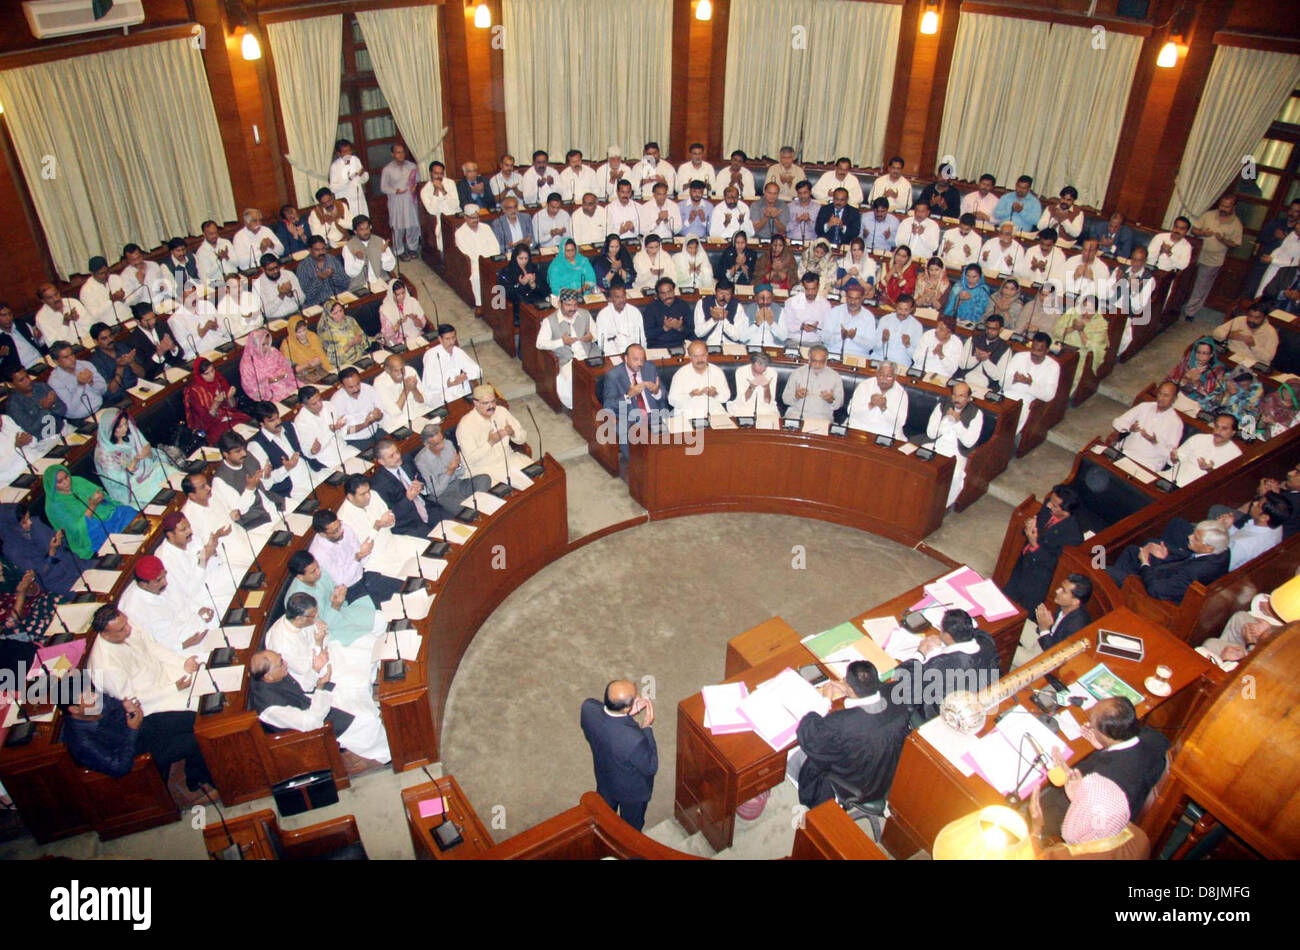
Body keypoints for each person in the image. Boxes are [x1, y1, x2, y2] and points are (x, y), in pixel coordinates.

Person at [257, 600, 391, 764]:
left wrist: (316, 671)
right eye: (280, 664)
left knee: (354, 688)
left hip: (314, 696)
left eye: (281, 660)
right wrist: (320, 687)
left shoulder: (275, 674)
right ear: (268, 677)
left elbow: (304, 682)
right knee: (365, 720)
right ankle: (388, 753)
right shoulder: (271, 708)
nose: (285, 663)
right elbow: (310, 722)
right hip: (316, 720)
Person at [62, 680, 214, 797]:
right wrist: (132, 730)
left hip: (143, 727)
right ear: (74, 710)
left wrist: (130, 707)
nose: (96, 697)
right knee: (196, 741)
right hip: (140, 752)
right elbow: (119, 768)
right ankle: (200, 780)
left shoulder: (94, 701)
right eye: (89, 698)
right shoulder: (82, 742)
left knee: (194, 718)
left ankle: (196, 770)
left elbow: (115, 704)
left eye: (93, 692)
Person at [795, 660, 910, 809]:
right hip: (890, 773)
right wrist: (852, 691)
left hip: (861, 784)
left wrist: (824, 701)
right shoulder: (897, 695)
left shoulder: (841, 724)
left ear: (849, 686)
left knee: (797, 758)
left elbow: (808, 735)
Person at [86, 606, 200, 716]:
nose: (129, 629)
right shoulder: (106, 665)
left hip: (166, 672)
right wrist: (172, 688)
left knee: (207, 682)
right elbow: (131, 699)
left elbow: (152, 647)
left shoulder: (125, 625)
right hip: (152, 701)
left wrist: (182, 663)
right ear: (105, 635)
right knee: (200, 705)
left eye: (126, 622)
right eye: (122, 629)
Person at [893, 609, 999, 722]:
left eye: (941, 630)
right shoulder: (987, 642)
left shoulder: (940, 665)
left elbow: (900, 677)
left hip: (942, 713)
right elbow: (978, 632)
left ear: (948, 636)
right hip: (979, 696)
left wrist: (920, 653)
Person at [579, 679, 657, 831]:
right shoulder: (635, 739)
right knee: (631, 828)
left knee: (604, 816)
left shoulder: (588, 708)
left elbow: (603, 721)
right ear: (626, 707)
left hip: (604, 779)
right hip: (631, 793)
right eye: (635, 696)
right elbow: (650, 766)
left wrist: (627, 714)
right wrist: (648, 727)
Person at [1030, 774, 1151, 860]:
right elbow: (1108, 814)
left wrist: (1036, 829)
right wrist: (1083, 799)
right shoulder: (1140, 838)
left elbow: (1029, 856)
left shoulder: (1064, 856)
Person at [1003, 485, 1084, 612]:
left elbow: (1054, 563)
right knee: (1005, 600)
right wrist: (1028, 527)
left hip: (1038, 580)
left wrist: (1034, 544)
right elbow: (1036, 527)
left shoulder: (1073, 536)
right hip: (1023, 565)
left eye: (1054, 506)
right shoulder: (1049, 505)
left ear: (1066, 512)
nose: (1048, 506)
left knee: (1023, 613)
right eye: (1050, 501)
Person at [1105, 520, 1230, 601]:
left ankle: (1125, 595)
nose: (1189, 537)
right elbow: (1188, 561)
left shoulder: (1196, 571)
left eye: (1196, 538)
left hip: (1156, 594)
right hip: (1169, 577)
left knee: (1107, 572)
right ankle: (1119, 595)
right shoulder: (1223, 551)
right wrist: (1165, 557)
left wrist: (1145, 564)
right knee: (1132, 551)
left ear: (1209, 547)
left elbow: (1156, 589)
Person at [285, 550, 382, 648]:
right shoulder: (297, 599)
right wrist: (335, 606)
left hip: (343, 612)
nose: (319, 572)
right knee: (372, 643)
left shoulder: (319, 572)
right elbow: (319, 627)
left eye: (317, 566)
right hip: (332, 632)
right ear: (300, 577)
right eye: (313, 571)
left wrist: (338, 594)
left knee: (382, 619)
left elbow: (333, 590)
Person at [118, 555, 211, 656]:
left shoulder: (157, 583)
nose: (165, 582)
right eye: (158, 580)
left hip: (188, 625)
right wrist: (183, 645)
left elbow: (180, 597)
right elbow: (148, 644)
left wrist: (198, 609)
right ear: (143, 585)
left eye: (164, 576)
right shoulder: (132, 609)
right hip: (174, 648)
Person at [308, 509, 403, 607]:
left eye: (339, 525)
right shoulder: (319, 554)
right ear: (322, 534)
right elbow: (342, 582)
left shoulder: (345, 529)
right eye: (335, 531)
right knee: (394, 608)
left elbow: (362, 557)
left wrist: (362, 555)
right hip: (350, 590)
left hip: (364, 574)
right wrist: (358, 558)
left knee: (405, 590)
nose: (341, 531)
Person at [338, 474, 430, 574]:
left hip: (392, 541)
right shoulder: (343, 519)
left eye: (368, 491)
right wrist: (378, 525)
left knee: (428, 550)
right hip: (376, 558)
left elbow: (390, 520)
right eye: (363, 494)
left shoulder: (373, 495)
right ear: (350, 497)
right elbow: (363, 548)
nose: (368, 496)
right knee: (413, 574)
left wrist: (389, 522)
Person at [41, 465, 137, 560]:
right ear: (52, 485)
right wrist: (92, 507)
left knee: (129, 513)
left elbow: (101, 494)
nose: (66, 482)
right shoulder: (54, 505)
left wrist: (101, 497)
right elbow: (75, 530)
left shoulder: (77, 481)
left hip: (106, 513)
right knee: (113, 543)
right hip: (88, 531)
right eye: (60, 482)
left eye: (66, 477)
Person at [0, 502, 94, 596]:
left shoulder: (35, 523)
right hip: (58, 580)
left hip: (72, 563)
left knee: (104, 573)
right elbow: (40, 573)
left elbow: (62, 545)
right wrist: (51, 553)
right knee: (91, 595)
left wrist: (60, 538)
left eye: (28, 517)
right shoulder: (12, 550)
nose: (30, 522)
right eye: (24, 522)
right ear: (12, 527)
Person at [921, 381, 983, 508]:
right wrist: (946, 420)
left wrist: (957, 422)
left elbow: (969, 442)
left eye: (961, 396)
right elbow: (931, 433)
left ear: (969, 398)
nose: (956, 399)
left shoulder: (976, 413)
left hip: (958, 452)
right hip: (936, 445)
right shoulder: (942, 406)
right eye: (954, 395)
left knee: (955, 475)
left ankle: (941, 506)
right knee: (918, 462)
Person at [413, 422, 492, 521]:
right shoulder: (421, 461)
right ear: (426, 444)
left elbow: (461, 471)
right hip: (443, 496)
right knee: (464, 508)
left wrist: (457, 466)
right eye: (437, 444)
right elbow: (436, 491)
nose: (442, 445)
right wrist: (450, 471)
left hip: (458, 484)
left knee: (484, 479)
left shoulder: (448, 444)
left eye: (442, 439)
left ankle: (480, 507)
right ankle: (478, 509)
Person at [1012, 573, 1093, 668]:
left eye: (1063, 591)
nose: (1057, 591)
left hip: (1046, 659)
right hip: (1045, 640)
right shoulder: (1064, 606)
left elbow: (1054, 656)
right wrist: (1043, 623)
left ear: (1075, 601)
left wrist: (1044, 628)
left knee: (1004, 650)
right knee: (1015, 620)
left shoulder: (1076, 627)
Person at [94, 409, 170, 508]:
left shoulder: (127, 435)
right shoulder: (104, 454)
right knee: (162, 494)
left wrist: (147, 453)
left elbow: (147, 453)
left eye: (126, 424)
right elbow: (116, 483)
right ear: (109, 429)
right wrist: (133, 464)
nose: (125, 428)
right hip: (130, 487)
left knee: (171, 474)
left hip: (145, 471)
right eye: (120, 426)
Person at [457, 384, 532, 485]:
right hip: (485, 470)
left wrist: (513, 433)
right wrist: (490, 443)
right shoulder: (465, 426)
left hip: (508, 459)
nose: (491, 406)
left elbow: (523, 437)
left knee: (536, 477)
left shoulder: (501, 411)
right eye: (486, 403)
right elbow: (470, 460)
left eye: (493, 401)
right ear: (475, 403)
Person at [537, 289, 599, 410]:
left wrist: (591, 337)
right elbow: (540, 344)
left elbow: (596, 333)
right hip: (568, 360)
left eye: (575, 305)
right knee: (570, 380)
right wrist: (562, 342)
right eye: (568, 305)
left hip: (590, 356)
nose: (573, 308)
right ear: (560, 304)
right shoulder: (549, 321)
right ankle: (578, 408)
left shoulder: (584, 314)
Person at [1183, 194, 1242, 321]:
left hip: (1214, 259)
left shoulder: (1236, 223)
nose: (1223, 208)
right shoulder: (1209, 215)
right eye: (1222, 205)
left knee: (1201, 286)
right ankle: (1176, 306)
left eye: (1227, 207)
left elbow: (1235, 244)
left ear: (1233, 207)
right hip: (1196, 253)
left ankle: (1190, 312)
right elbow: (1194, 230)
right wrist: (1203, 233)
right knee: (1184, 279)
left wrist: (1223, 240)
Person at [212, 430, 285, 533]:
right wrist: (250, 489)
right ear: (225, 454)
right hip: (255, 521)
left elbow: (262, 481)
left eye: (244, 449)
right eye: (238, 451)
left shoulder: (247, 457)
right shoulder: (220, 481)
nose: (244, 453)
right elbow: (239, 511)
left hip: (272, 503)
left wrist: (266, 475)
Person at [600, 342, 668, 447]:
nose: (640, 363)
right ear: (626, 358)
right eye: (636, 359)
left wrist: (656, 392)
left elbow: (664, 394)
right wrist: (628, 396)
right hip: (630, 422)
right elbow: (608, 406)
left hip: (655, 417)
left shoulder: (650, 368)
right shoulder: (613, 376)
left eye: (642, 359)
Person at [1108, 381, 1184, 473]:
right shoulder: (1144, 407)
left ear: (1174, 399)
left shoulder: (1176, 423)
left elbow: (1170, 456)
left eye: (1166, 395)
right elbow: (1117, 422)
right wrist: (1129, 427)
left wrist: (1155, 442)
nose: (1161, 398)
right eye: (1159, 393)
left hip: (1147, 465)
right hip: (1124, 453)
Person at [246, 401, 313, 503]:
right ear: (262, 424)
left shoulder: (289, 426)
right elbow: (265, 482)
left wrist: (312, 450)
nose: (278, 422)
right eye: (272, 420)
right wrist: (286, 468)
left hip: (311, 473)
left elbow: (304, 450)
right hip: (292, 489)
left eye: (277, 417)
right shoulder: (256, 446)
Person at [370, 438, 434, 539]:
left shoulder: (406, 460)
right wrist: (408, 499)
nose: (398, 457)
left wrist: (421, 486)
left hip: (427, 507)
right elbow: (391, 515)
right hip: (408, 523)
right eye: (391, 456)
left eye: (397, 451)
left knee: (457, 526)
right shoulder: (378, 485)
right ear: (381, 462)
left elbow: (421, 479)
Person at [1051, 294, 1109, 395]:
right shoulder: (1072, 314)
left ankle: (1061, 397)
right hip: (1061, 347)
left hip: (1080, 354)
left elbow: (1095, 346)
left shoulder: (1100, 324)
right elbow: (1056, 331)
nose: (1085, 312)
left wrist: (1081, 331)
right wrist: (1072, 328)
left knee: (1070, 374)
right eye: (1084, 307)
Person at [1004, 333, 1061, 434]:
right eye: (1033, 348)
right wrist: (1013, 380)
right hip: (1006, 395)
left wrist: (1030, 383)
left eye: (1039, 350)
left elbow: (1049, 396)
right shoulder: (1019, 356)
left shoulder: (1053, 366)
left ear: (1047, 351)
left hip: (1025, 403)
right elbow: (1002, 382)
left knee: (1007, 425)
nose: (1034, 353)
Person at [1167, 412, 1242, 487]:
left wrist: (1210, 470)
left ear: (1233, 432)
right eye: (1216, 426)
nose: (1218, 431)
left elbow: (1225, 484)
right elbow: (1174, 462)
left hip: (1194, 490)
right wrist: (1173, 458)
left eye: (1224, 428)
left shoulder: (1236, 455)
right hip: (1170, 480)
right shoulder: (1198, 438)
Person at [668, 340, 731, 419]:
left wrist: (715, 394)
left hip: (713, 412)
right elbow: (672, 400)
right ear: (690, 357)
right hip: (688, 414)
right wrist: (690, 395)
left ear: (707, 354)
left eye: (703, 355)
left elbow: (726, 397)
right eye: (695, 356)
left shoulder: (717, 371)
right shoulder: (680, 374)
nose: (700, 359)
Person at [421, 323, 480, 406]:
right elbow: (429, 383)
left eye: (453, 338)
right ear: (440, 339)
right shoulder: (431, 355)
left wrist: (465, 376)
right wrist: (447, 384)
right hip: (438, 394)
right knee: (451, 399)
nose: (452, 342)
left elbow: (478, 370)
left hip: (458, 392)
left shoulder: (458, 352)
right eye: (447, 339)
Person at [781, 344, 844, 422]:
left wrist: (831, 400)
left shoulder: (835, 376)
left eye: (821, 361)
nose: (817, 365)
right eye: (814, 361)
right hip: (796, 416)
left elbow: (839, 404)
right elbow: (786, 400)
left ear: (826, 359)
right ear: (809, 358)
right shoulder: (797, 373)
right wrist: (796, 396)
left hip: (822, 419)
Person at [454, 205, 500, 308]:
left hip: (491, 261)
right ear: (465, 217)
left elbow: (495, 246)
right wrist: (482, 263)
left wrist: (489, 261)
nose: (475, 220)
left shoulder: (486, 228)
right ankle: (480, 304)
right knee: (476, 277)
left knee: (501, 274)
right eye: (472, 218)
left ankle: (498, 304)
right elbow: (467, 253)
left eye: (477, 217)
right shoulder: (460, 233)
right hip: (475, 264)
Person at [845, 361, 907, 438]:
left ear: (895, 377)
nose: (884, 379)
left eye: (889, 376)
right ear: (876, 374)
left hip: (886, 434)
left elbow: (900, 423)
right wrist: (870, 405)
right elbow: (850, 411)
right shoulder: (864, 385)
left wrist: (884, 408)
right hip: (859, 428)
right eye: (881, 375)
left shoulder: (901, 393)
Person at [381, 143, 420, 261]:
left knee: (413, 224)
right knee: (398, 227)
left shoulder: (412, 166)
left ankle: (413, 247)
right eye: (398, 152)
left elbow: (417, 180)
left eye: (402, 152)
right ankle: (399, 250)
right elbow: (383, 188)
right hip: (396, 200)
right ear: (392, 154)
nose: (401, 154)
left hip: (410, 199)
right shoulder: (387, 169)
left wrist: (415, 188)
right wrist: (395, 191)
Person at [87, 322, 143, 405]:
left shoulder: (123, 347)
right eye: (104, 338)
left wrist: (132, 363)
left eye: (110, 336)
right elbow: (112, 390)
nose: (110, 340)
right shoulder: (95, 363)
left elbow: (142, 375)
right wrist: (120, 368)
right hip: (120, 399)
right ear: (96, 341)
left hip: (139, 388)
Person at [47, 341, 106, 420]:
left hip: (102, 407)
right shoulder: (55, 381)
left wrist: (91, 382)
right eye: (66, 357)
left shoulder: (85, 365)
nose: (72, 359)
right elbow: (70, 408)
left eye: (72, 354)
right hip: (81, 418)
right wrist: (80, 385)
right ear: (56, 362)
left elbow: (104, 390)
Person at [373, 353, 431, 432]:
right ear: (387, 370)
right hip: (398, 423)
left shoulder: (410, 370)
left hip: (418, 414)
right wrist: (406, 390)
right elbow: (395, 412)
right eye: (396, 371)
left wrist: (414, 389)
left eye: (402, 369)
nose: (401, 373)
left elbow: (423, 400)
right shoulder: (379, 383)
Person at [239, 328, 298, 403]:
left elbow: (286, 367)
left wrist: (283, 375)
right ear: (254, 345)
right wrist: (268, 382)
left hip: (286, 384)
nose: (267, 347)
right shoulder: (247, 363)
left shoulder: (273, 352)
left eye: (268, 344)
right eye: (263, 345)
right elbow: (250, 387)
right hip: (268, 395)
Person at [330, 367, 384, 448]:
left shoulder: (368, 389)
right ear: (342, 386)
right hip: (355, 440)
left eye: (358, 384)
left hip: (375, 431)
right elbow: (345, 431)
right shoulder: (336, 401)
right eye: (351, 387)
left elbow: (381, 413)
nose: (356, 389)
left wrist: (378, 415)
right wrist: (364, 424)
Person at [126, 307, 185, 381]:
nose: (152, 322)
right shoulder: (133, 340)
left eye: (153, 318)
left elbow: (181, 353)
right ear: (137, 321)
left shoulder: (161, 326)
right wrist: (159, 354)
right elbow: (145, 372)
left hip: (177, 368)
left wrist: (173, 347)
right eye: (147, 320)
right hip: (157, 377)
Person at [822, 280, 875, 361]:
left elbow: (870, 345)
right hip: (834, 354)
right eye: (850, 298)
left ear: (862, 298)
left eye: (856, 299)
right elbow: (824, 338)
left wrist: (854, 337)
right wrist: (840, 336)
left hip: (858, 357)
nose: (852, 302)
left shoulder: (868, 317)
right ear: (846, 297)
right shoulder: (835, 312)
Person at [1211, 304, 1278, 367]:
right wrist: (1229, 335)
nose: (1251, 320)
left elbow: (1268, 358)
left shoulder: (1271, 332)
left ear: (1264, 318)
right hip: (1230, 356)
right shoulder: (1240, 320)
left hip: (1250, 364)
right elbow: (1216, 333)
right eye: (1250, 316)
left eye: (1257, 318)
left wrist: (1253, 346)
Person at [342, 215, 397, 292]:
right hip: (360, 287)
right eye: (362, 229)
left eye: (367, 228)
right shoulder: (348, 247)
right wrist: (359, 260)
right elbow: (351, 273)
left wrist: (383, 254)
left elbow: (390, 267)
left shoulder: (380, 241)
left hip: (382, 281)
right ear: (355, 232)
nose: (366, 232)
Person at [497, 244, 550, 319]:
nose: (523, 261)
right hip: (518, 306)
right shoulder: (506, 272)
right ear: (515, 258)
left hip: (535, 303)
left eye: (526, 258)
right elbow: (509, 295)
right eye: (520, 258)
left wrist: (533, 285)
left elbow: (545, 290)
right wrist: (521, 284)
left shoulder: (534, 268)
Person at [280, 314, 334, 385]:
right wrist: (308, 365)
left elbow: (322, 356)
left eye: (304, 330)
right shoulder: (287, 345)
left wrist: (332, 371)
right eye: (299, 332)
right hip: (302, 374)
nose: (303, 334)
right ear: (292, 332)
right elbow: (290, 370)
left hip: (318, 368)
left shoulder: (312, 336)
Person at [317, 298, 370, 369]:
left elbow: (364, 337)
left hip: (360, 354)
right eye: (335, 313)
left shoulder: (349, 320)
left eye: (341, 310)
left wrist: (360, 340)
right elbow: (332, 358)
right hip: (342, 364)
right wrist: (349, 345)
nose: (340, 314)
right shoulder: (326, 332)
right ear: (328, 315)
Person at [595, 282, 646, 354]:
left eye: (623, 296)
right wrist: (616, 356)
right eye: (617, 297)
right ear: (610, 299)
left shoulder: (634, 312)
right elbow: (602, 343)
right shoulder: (603, 315)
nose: (621, 300)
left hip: (633, 354)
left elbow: (641, 338)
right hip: (612, 355)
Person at [874, 294, 923, 368]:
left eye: (906, 310)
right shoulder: (885, 320)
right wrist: (883, 340)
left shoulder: (917, 326)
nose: (902, 313)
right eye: (900, 309)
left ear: (911, 309)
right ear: (895, 306)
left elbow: (916, 357)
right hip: (879, 359)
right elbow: (874, 348)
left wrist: (908, 345)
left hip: (901, 363)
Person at [642, 278, 693, 349]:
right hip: (658, 346)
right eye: (663, 293)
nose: (667, 296)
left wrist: (680, 328)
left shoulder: (683, 305)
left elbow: (691, 331)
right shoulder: (651, 308)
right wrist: (664, 328)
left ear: (674, 291)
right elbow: (648, 334)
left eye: (669, 292)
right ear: (658, 295)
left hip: (679, 345)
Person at [376, 278, 427, 346]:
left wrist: (414, 319)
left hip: (415, 334)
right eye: (398, 294)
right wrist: (398, 324)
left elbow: (422, 325)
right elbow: (387, 334)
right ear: (392, 294)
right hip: (397, 340)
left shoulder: (412, 301)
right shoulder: (384, 309)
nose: (401, 297)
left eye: (403, 293)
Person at [329, 139, 370, 221]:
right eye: (345, 152)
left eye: (349, 151)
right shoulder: (335, 167)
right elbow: (333, 188)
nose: (348, 154)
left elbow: (364, 178)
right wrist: (348, 180)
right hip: (346, 202)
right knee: (351, 226)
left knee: (364, 223)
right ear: (339, 154)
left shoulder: (355, 160)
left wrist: (362, 175)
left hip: (359, 200)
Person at [693, 279, 741, 347]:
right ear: (715, 292)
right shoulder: (702, 303)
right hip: (707, 344)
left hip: (731, 345)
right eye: (720, 293)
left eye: (727, 294)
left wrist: (724, 320)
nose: (723, 297)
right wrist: (714, 320)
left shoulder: (738, 306)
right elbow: (698, 333)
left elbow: (737, 336)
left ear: (732, 295)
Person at [785, 180, 821, 244]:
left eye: (805, 192)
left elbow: (819, 231)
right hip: (791, 242)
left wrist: (809, 221)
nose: (802, 196)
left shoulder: (818, 208)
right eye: (800, 193)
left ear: (810, 192)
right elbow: (785, 228)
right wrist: (797, 221)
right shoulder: (789, 207)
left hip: (811, 243)